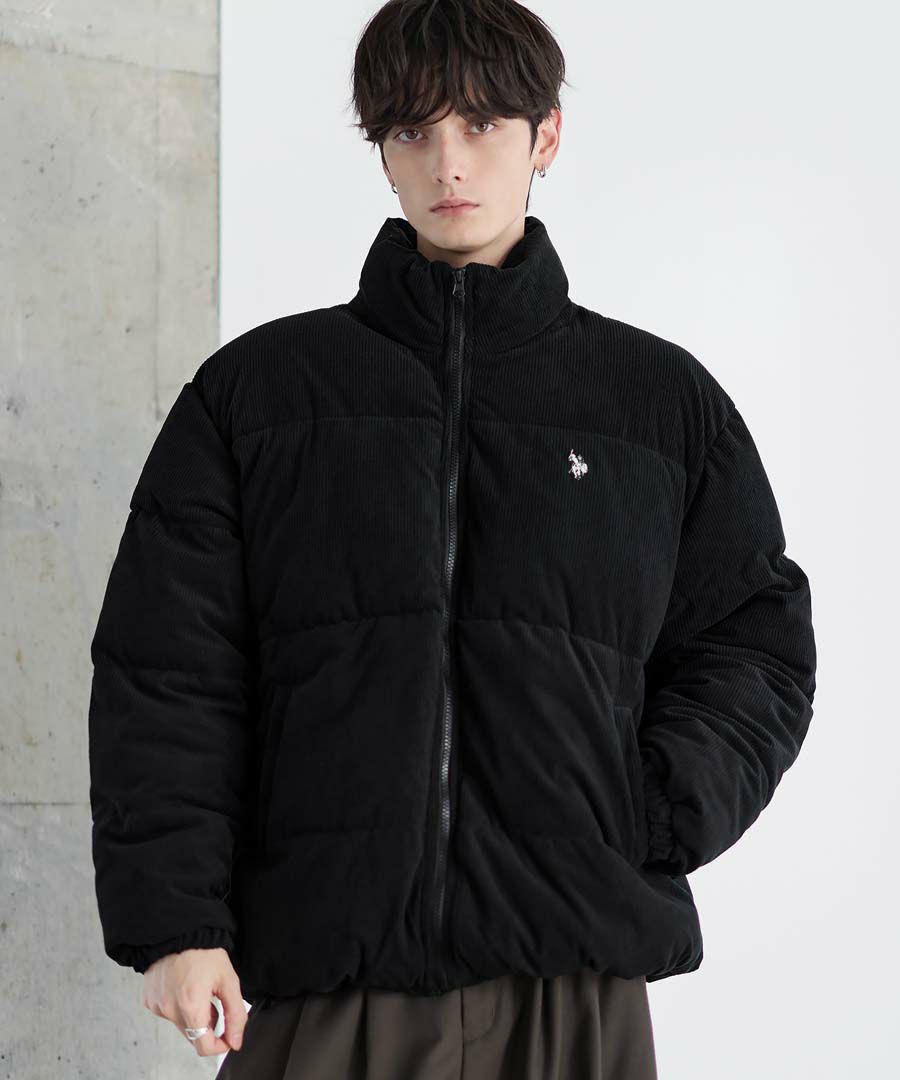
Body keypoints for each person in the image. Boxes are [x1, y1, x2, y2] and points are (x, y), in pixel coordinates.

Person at [86, 1, 817, 1077]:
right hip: (329, 969)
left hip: (571, 979)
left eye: (481, 125)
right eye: (413, 131)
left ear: (546, 135)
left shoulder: (657, 405)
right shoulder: (259, 399)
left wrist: (651, 811)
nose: (449, 163)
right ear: (381, 152)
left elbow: (754, 645)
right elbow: (168, 669)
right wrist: (177, 923)